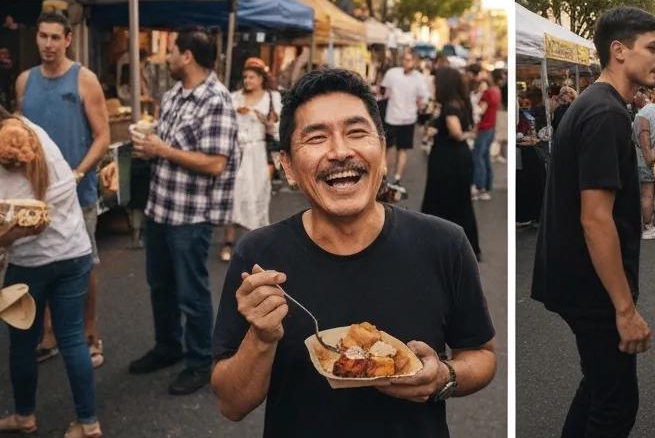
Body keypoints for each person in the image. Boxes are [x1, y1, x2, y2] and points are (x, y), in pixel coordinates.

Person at [209, 68, 496, 434]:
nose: (340, 151)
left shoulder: (444, 244)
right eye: (316, 138)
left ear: (382, 148)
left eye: (356, 132)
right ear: (289, 167)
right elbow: (231, 404)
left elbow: (482, 355)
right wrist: (261, 338)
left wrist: (445, 375)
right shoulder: (260, 256)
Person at [532, 7, 655, 438]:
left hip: (579, 282)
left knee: (600, 388)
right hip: (593, 290)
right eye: (653, 47)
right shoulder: (605, 113)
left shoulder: (599, 105)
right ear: (619, 51)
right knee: (615, 405)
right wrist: (624, 309)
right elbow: (595, 219)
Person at [129, 28, 239, 396]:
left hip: (191, 215)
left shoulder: (217, 100)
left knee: (191, 292)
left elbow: (215, 164)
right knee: (160, 285)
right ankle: (168, 347)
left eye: (173, 52)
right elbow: (166, 143)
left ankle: (199, 362)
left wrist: (162, 150)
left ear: (188, 56)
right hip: (160, 206)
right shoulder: (174, 93)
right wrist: (149, 147)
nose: (169, 58)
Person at [16, 10, 108, 370]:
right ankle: (51, 334)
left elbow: (102, 137)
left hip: (77, 194)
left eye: (56, 37)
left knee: (83, 267)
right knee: (42, 263)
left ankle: (90, 333)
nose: (49, 44)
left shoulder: (84, 80)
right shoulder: (25, 81)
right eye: (43, 36)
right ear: (36, 37)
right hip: (34, 196)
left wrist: (79, 173)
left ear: (68, 39)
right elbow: (23, 135)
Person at [0, 112, 101, 437]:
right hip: (73, 251)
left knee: (22, 343)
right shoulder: (36, 130)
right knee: (72, 338)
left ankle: (24, 415)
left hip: (29, 263)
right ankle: (88, 422)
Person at [220, 58, 282, 263]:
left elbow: (277, 131)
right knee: (233, 196)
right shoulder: (234, 97)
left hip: (259, 154)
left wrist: (260, 116)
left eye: (251, 77)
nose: (247, 80)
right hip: (236, 153)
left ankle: (255, 244)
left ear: (261, 78)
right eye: (245, 77)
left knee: (258, 196)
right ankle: (228, 242)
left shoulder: (272, 98)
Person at [421, 67, 480, 259]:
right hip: (458, 157)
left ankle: (436, 244)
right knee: (459, 202)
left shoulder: (450, 106)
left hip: (448, 158)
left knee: (442, 199)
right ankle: (464, 245)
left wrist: (461, 135)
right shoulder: (461, 102)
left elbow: (455, 131)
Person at [380, 49, 431, 197]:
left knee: (402, 150)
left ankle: (397, 180)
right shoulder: (392, 73)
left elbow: (422, 99)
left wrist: (422, 107)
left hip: (408, 119)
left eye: (409, 60)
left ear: (415, 62)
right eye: (405, 59)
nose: (406, 62)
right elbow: (384, 92)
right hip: (392, 117)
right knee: (387, 149)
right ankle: (383, 177)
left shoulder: (419, 78)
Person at [632, 90, 655, 241]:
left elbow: (643, 137)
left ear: (641, 95)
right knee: (654, 191)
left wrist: (648, 158)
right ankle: (652, 220)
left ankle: (648, 226)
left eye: (635, 96)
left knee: (647, 193)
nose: (633, 99)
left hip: (645, 158)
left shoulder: (642, 115)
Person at [470, 66, 500, 202]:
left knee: (478, 157)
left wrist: (473, 105)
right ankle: (487, 186)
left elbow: (480, 110)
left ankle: (480, 187)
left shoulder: (488, 93)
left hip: (484, 127)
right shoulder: (496, 91)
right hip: (490, 127)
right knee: (485, 157)